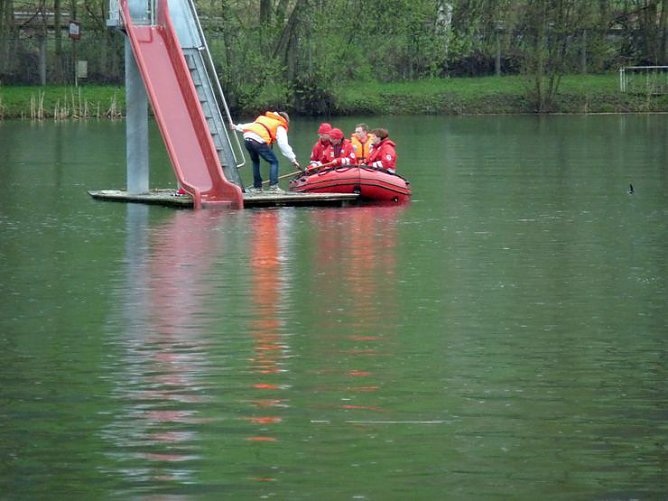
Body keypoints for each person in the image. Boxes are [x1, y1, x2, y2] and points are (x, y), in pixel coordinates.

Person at [230, 111, 300, 193]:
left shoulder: (263, 119)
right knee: (274, 162)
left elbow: (249, 125)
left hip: (247, 139)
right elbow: (283, 144)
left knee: (255, 162)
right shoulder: (280, 125)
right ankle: (274, 187)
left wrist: (236, 127)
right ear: (285, 120)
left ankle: (257, 187)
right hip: (257, 141)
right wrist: (293, 159)